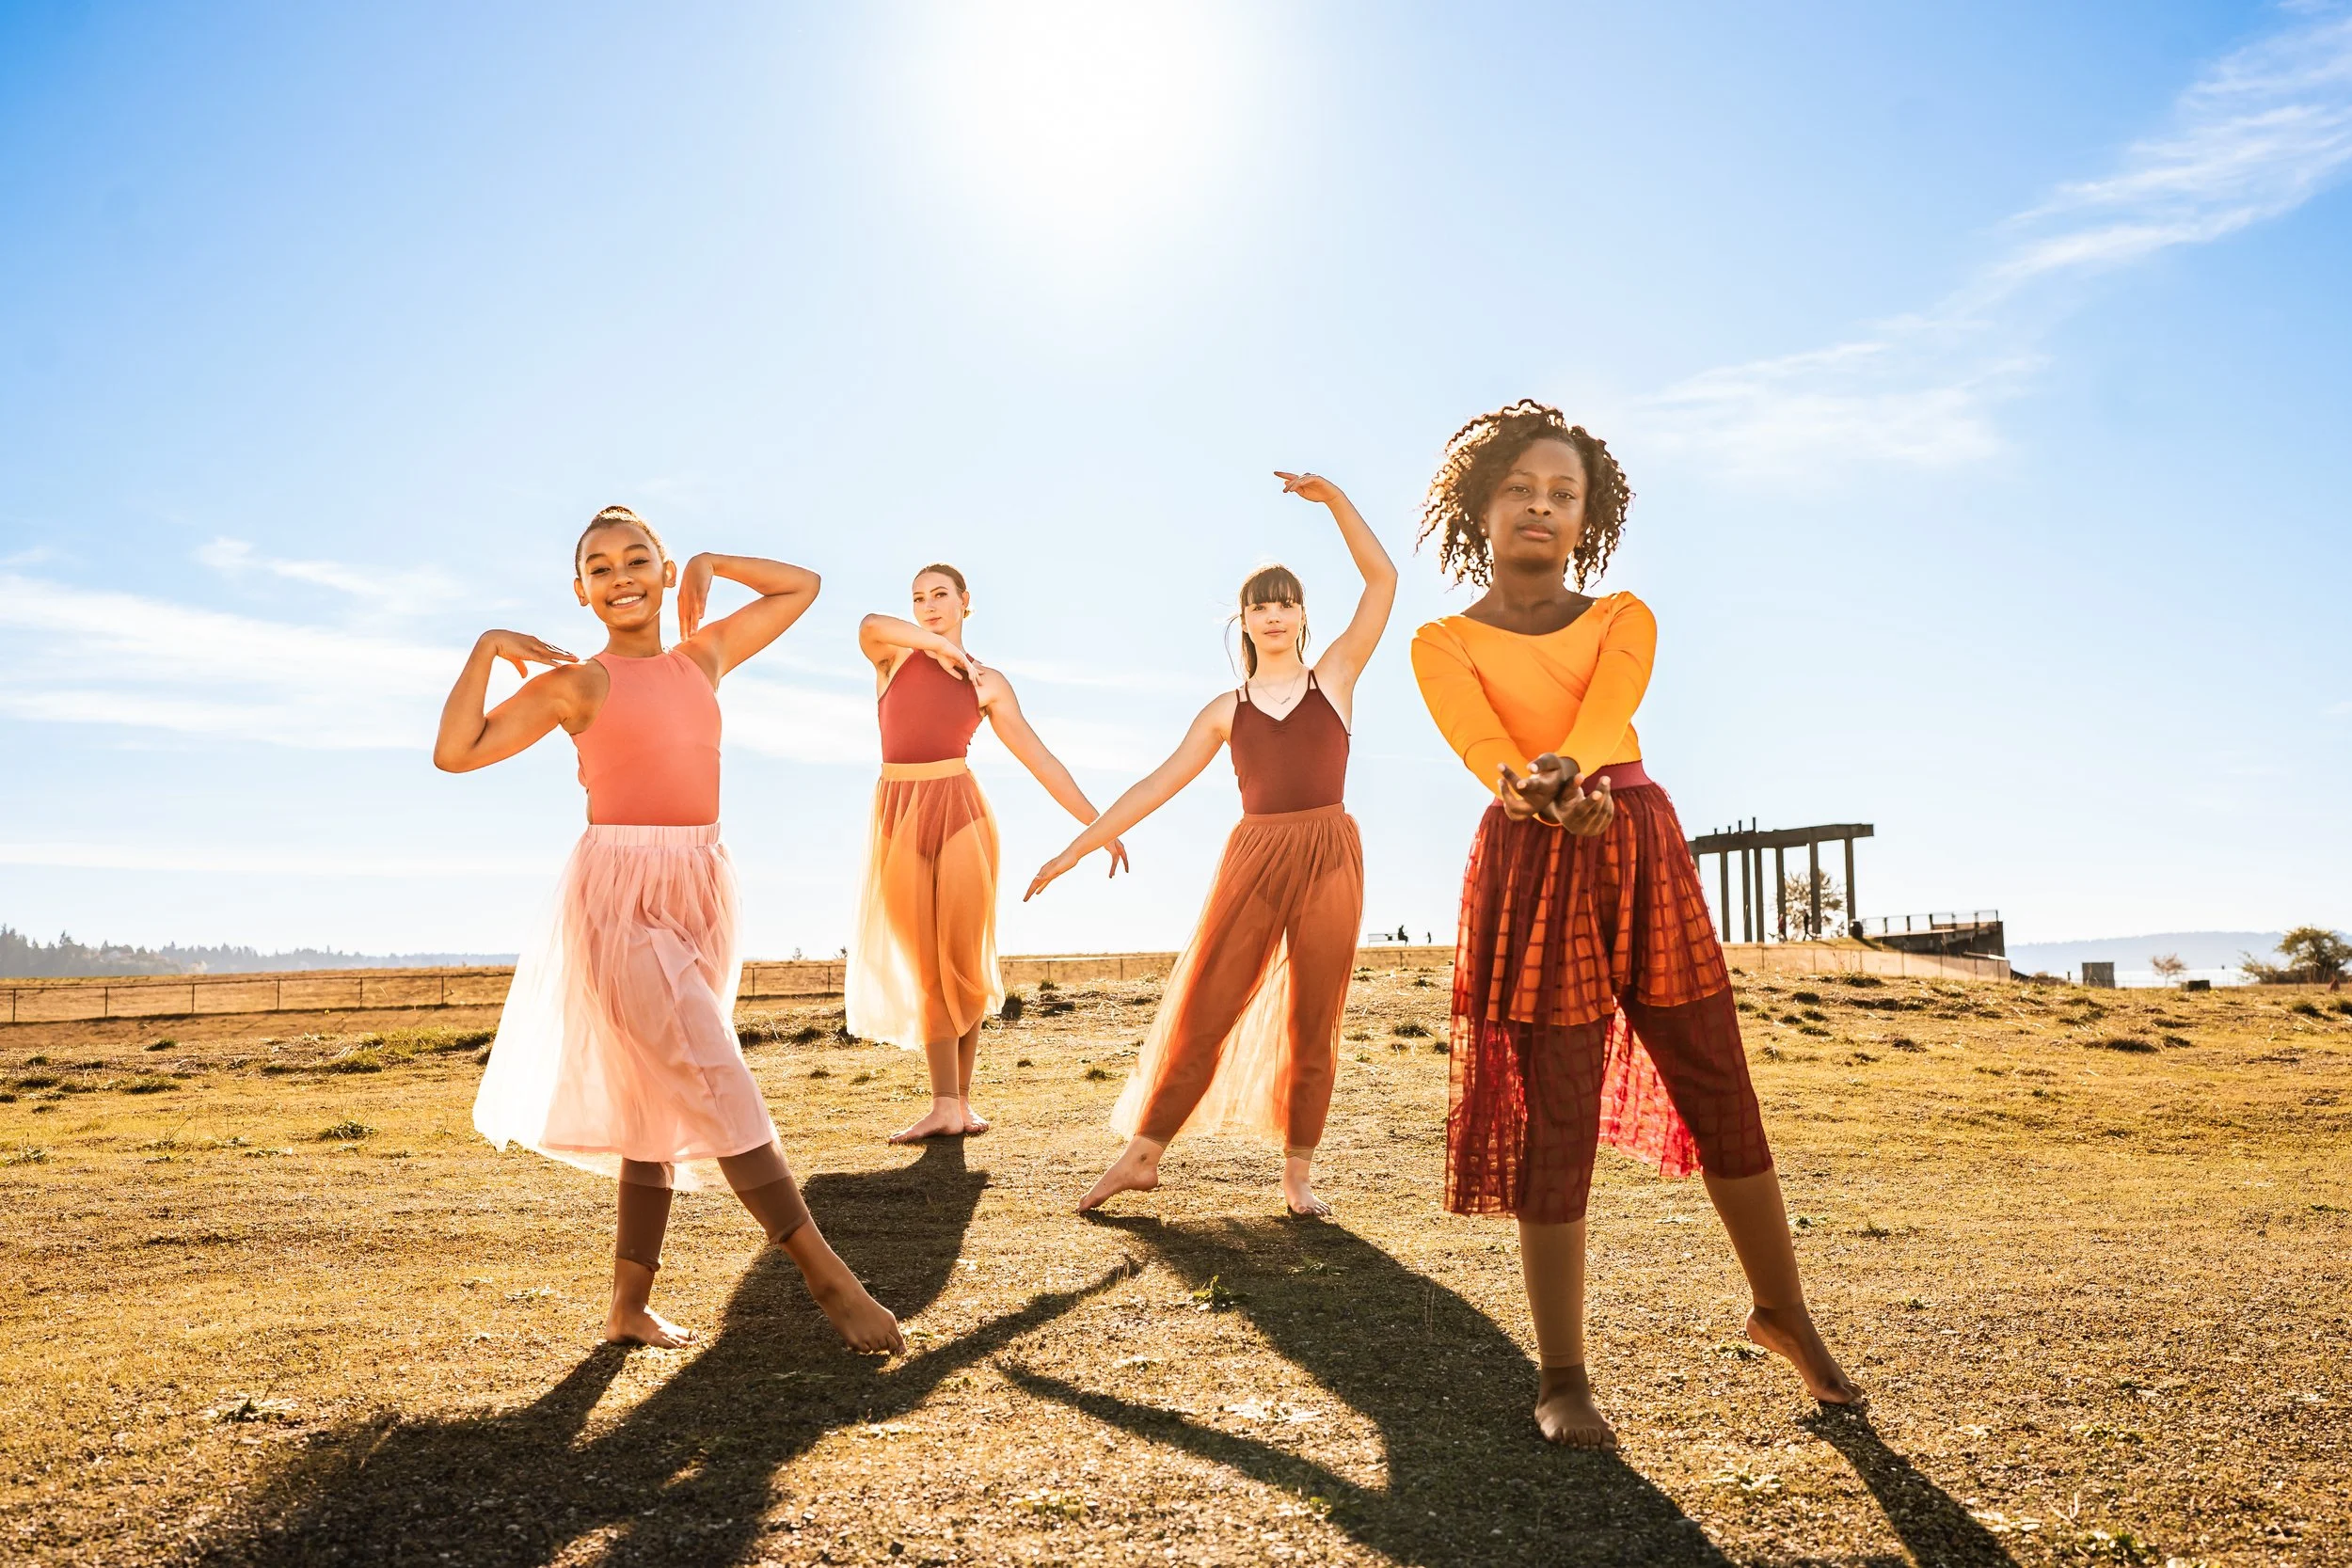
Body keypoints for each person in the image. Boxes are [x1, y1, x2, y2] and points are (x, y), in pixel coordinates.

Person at [1408, 402, 1860, 1447]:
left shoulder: (1624, 613)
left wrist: (1571, 773)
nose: (1542, 505)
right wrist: (1533, 789)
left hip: (1634, 839)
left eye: (1564, 493)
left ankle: (1781, 1309)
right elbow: (1477, 738)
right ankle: (1561, 1376)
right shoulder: (1441, 640)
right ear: (1480, 506)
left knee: (1715, 1081)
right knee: (1553, 1112)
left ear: (1588, 516)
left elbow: (1608, 713)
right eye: (1521, 487)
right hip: (1530, 859)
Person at [437, 504, 902, 1354]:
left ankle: (627, 1306)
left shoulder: (704, 657)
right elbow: (456, 750)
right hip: (619, 893)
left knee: (655, 1096)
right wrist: (489, 648)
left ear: (662, 569)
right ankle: (825, 1275)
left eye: (637, 559)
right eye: (601, 567)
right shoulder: (576, 684)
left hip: (701, 884)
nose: (622, 577)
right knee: (714, 1068)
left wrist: (717, 562)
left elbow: (804, 586)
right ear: (581, 592)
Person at [1027, 472, 1395, 1217]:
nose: (1273, 614)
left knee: (1313, 1018)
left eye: (1286, 602)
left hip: (1329, 852)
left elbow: (1382, 577)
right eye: (1260, 604)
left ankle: (1298, 1174)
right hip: (1254, 860)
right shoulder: (1225, 710)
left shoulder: (1337, 679)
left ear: (1302, 615)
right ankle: (1143, 1154)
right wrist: (1078, 846)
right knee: (1207, 1006)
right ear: (1243, 620)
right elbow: (1153, 786)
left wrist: (1334, 504)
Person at [850, 564, 1129, 1144]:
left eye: (940, 596)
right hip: (897, 814)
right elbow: (870, 624)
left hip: (960, 813)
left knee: (963, 960)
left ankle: (958, 1103)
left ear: (964, 602)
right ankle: (942, 1105)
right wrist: (933, 645)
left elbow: (1042, 760)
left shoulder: (988, 682)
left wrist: (1099, 825)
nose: (928, 606)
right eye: (919, 598)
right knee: (926, 962)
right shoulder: (892, 659)